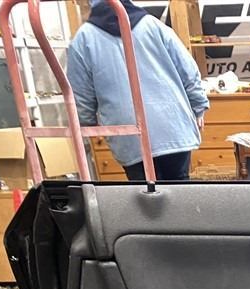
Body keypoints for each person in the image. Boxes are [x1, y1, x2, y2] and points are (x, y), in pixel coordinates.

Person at [66, 0, 208, 180]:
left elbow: (80, 94)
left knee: (144, 193)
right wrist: (198, 105)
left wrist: (87, 123)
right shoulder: (153, 25)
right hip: (172, 125)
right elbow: (187, 69)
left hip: (129, 133)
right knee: (179, 189)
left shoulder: (83, 39)